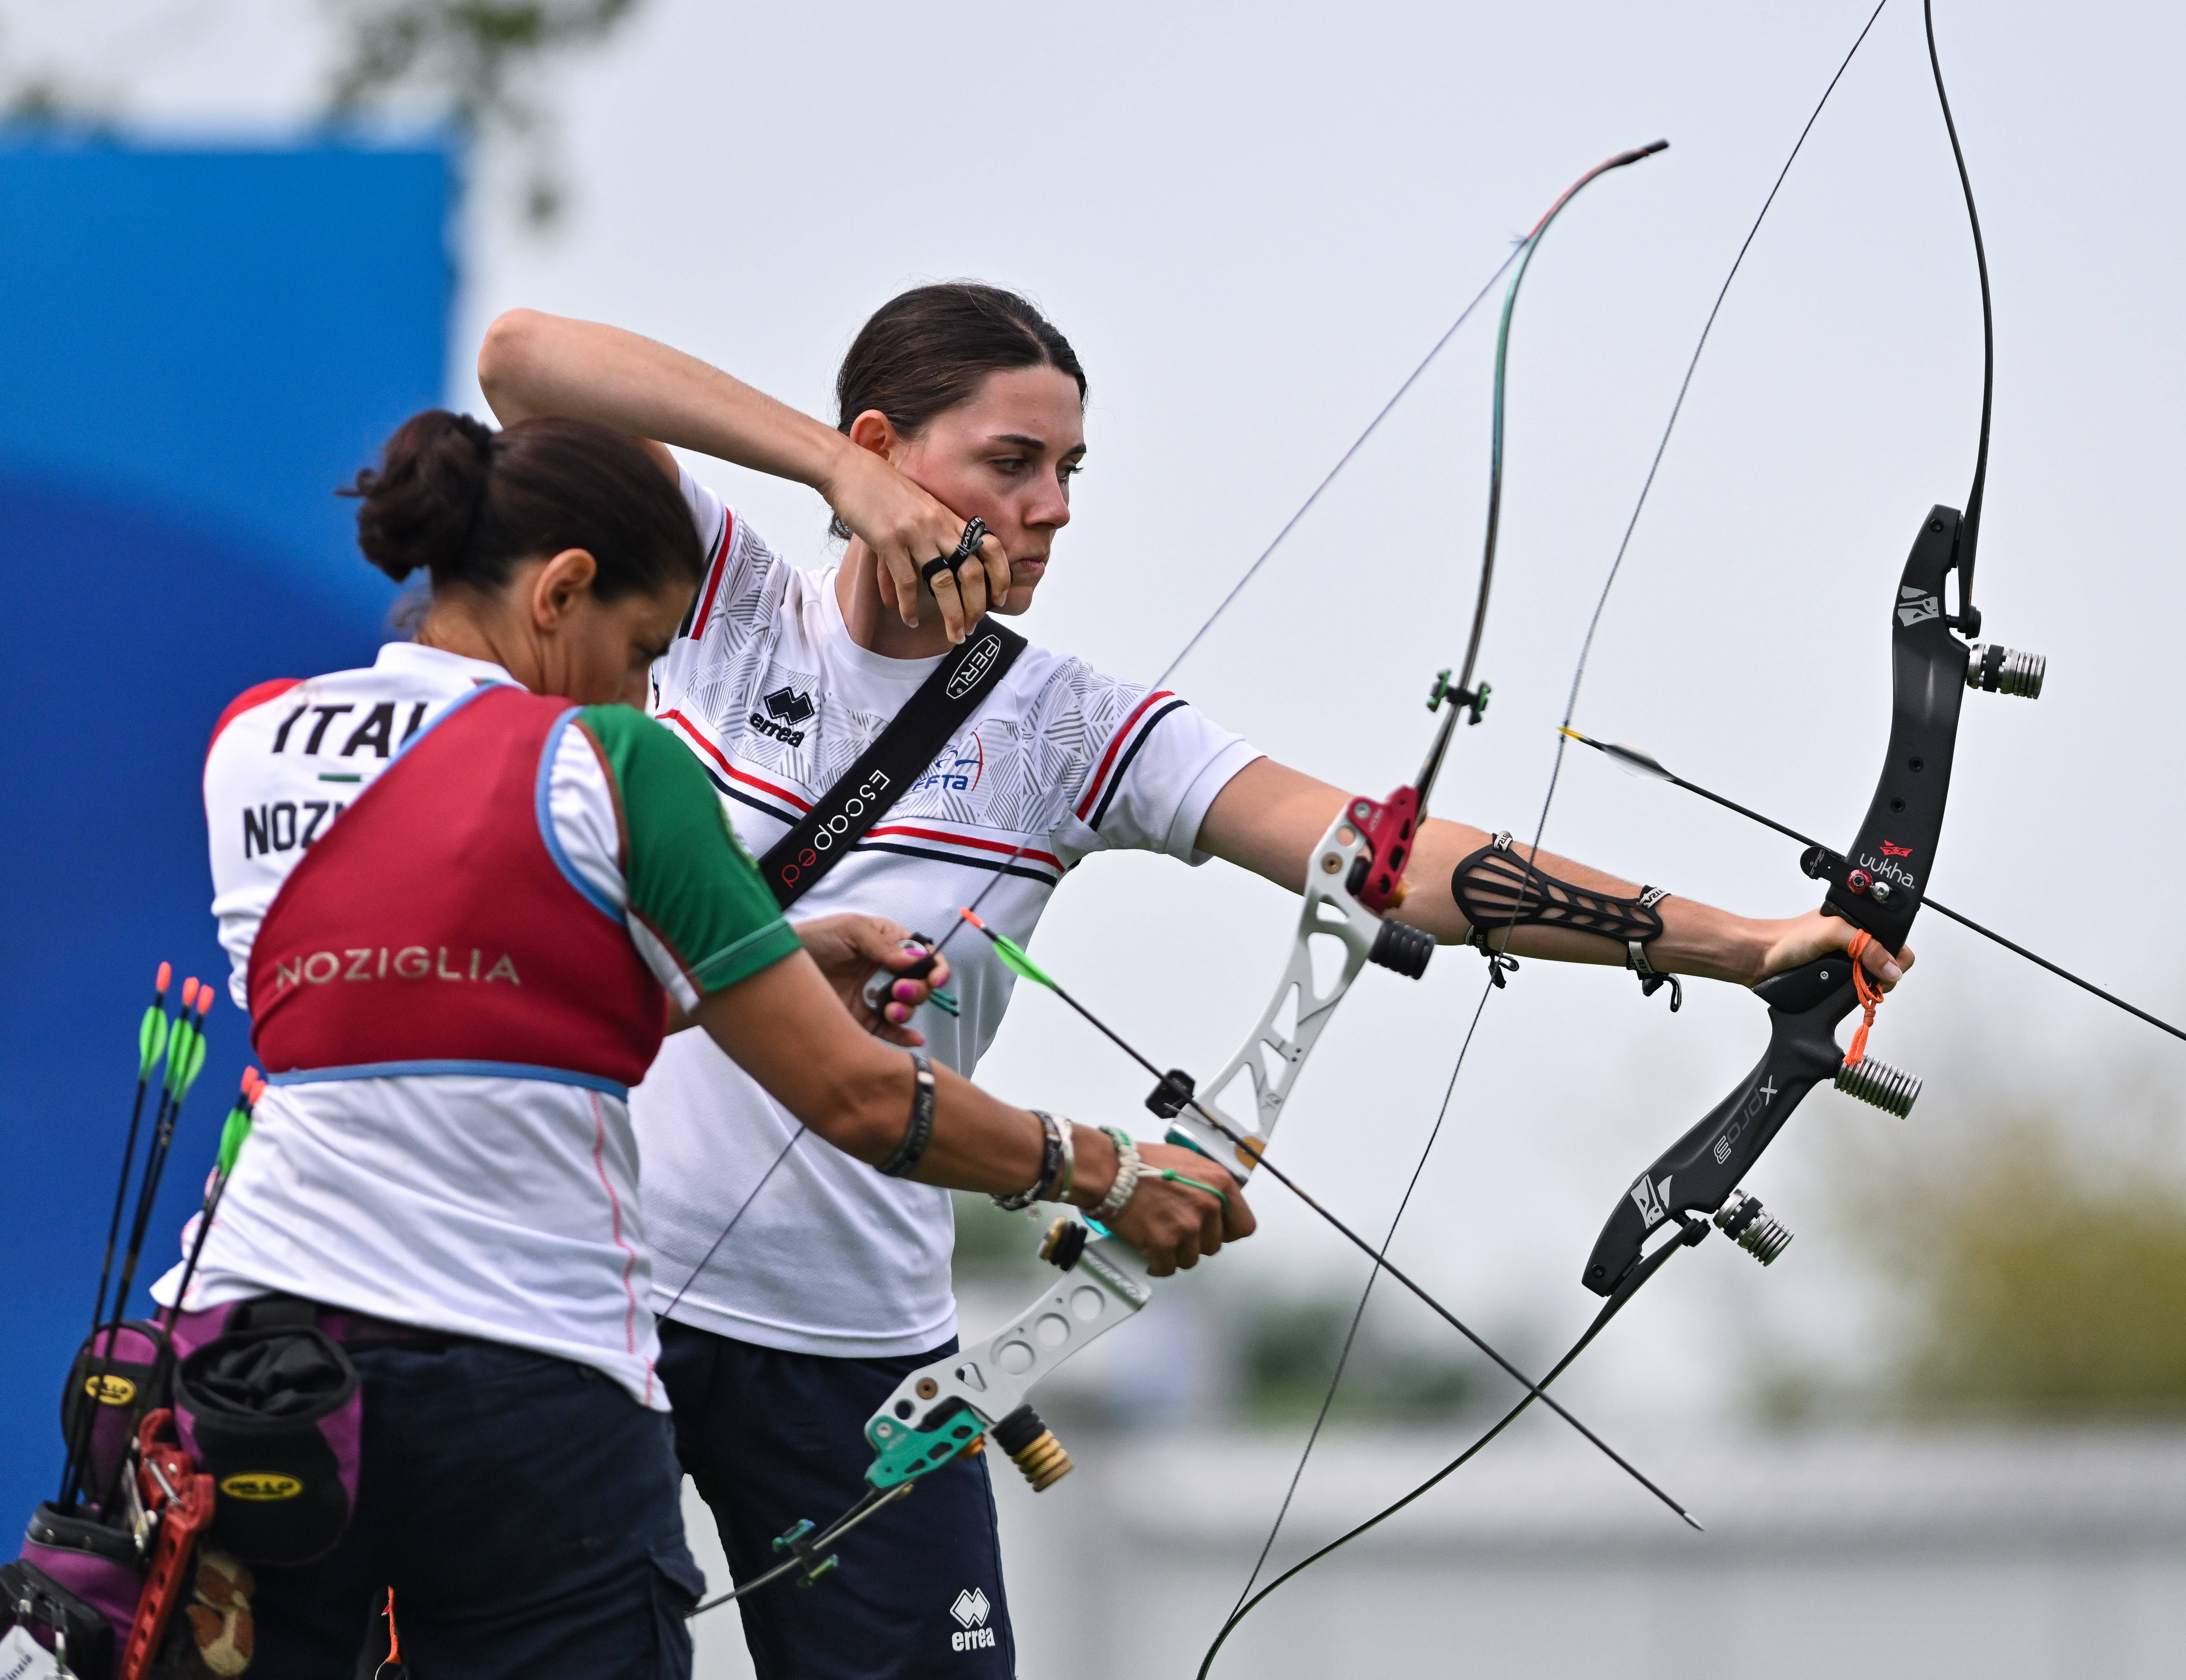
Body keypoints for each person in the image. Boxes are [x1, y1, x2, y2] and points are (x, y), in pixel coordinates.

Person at [478, 286, 1915, 1680]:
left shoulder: (1066, 725)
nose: (1051, 508)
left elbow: (1384, 858)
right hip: (603, 1299)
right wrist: (829, 478)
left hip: (868, 1361)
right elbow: (524, 361)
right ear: (879, 445)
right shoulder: (723, 602)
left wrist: (1733, 939)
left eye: (1070, 471)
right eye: (1011, 462)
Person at [175, 409, 1250, 1679]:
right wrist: (1113, 1170)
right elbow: (855, 1097)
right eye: (640, 648)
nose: (642, 690)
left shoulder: (253, 739)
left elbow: (459, 995)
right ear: (561, 588)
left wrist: (772, 965)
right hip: (525, 1391)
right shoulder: (618, 761)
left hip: (252, 1353)